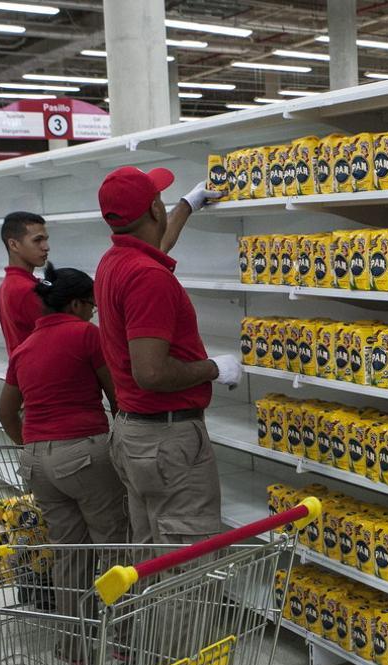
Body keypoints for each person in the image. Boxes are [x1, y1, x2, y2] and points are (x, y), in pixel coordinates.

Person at [93, 166, 238, 548]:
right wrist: (214, 369)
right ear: (154, 210)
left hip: (134, 434)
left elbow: (158, 245)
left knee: (152, 555)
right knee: (186, 569)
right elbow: (152, 372)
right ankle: (182, 612)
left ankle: (154, 611)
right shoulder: (148, 278)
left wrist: (188, 206)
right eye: (160, 199)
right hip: (167, 441)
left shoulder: (115, 261)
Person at [0, 265, 130, 665]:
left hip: (37, 461)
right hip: (85, 454)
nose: (93, 313)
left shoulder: (24, 347)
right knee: (116, 545)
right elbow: (117, 397)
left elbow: (5, 412)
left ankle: (74, 647)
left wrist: (35, 446)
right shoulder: (87, 336)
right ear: (76, 303)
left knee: (70, 553)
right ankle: (124, 640)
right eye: (91, 305)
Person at [0, 212, 51, 355]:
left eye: (45, 239)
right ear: (13, 244)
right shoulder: (27, 290)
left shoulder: (7, 284)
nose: (46, 247)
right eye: (38, 240)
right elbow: (56, 339)